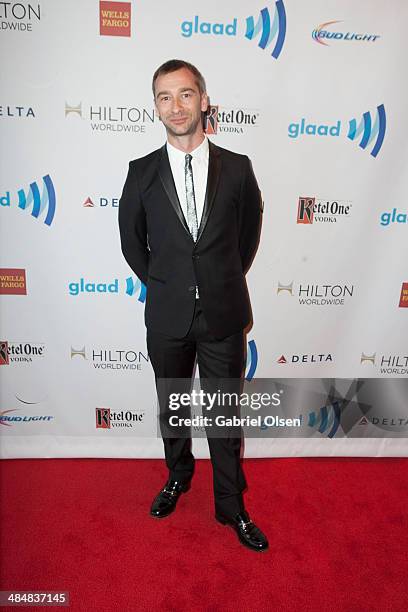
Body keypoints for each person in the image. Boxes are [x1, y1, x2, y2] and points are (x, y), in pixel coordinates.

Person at [119, 59, 267, 551]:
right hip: (167, 315)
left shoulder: (239, 168)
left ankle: (231, 505)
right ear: (155, 107)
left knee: (225, 414)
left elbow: (245, 240)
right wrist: (168, 285)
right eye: (164, 97)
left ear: (204, 101)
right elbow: (131, 245)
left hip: (223, 313)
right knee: (173, 407)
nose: (176, 106)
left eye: (185, 94)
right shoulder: (140, 173)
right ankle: (178, 476)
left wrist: (215, 282)